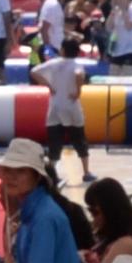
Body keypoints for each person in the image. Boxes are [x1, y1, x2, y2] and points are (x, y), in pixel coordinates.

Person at [35, 41, 90, 179]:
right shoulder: (76, 65)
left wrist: (48, 86)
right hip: (71, 106)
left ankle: (51, 172)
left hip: (55, 106)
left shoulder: (54, 63)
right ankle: (86, 172)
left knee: (55, 140)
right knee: (79, 138)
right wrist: (78, 91)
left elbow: (34, 71)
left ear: (63, 50)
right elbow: (78, 74)